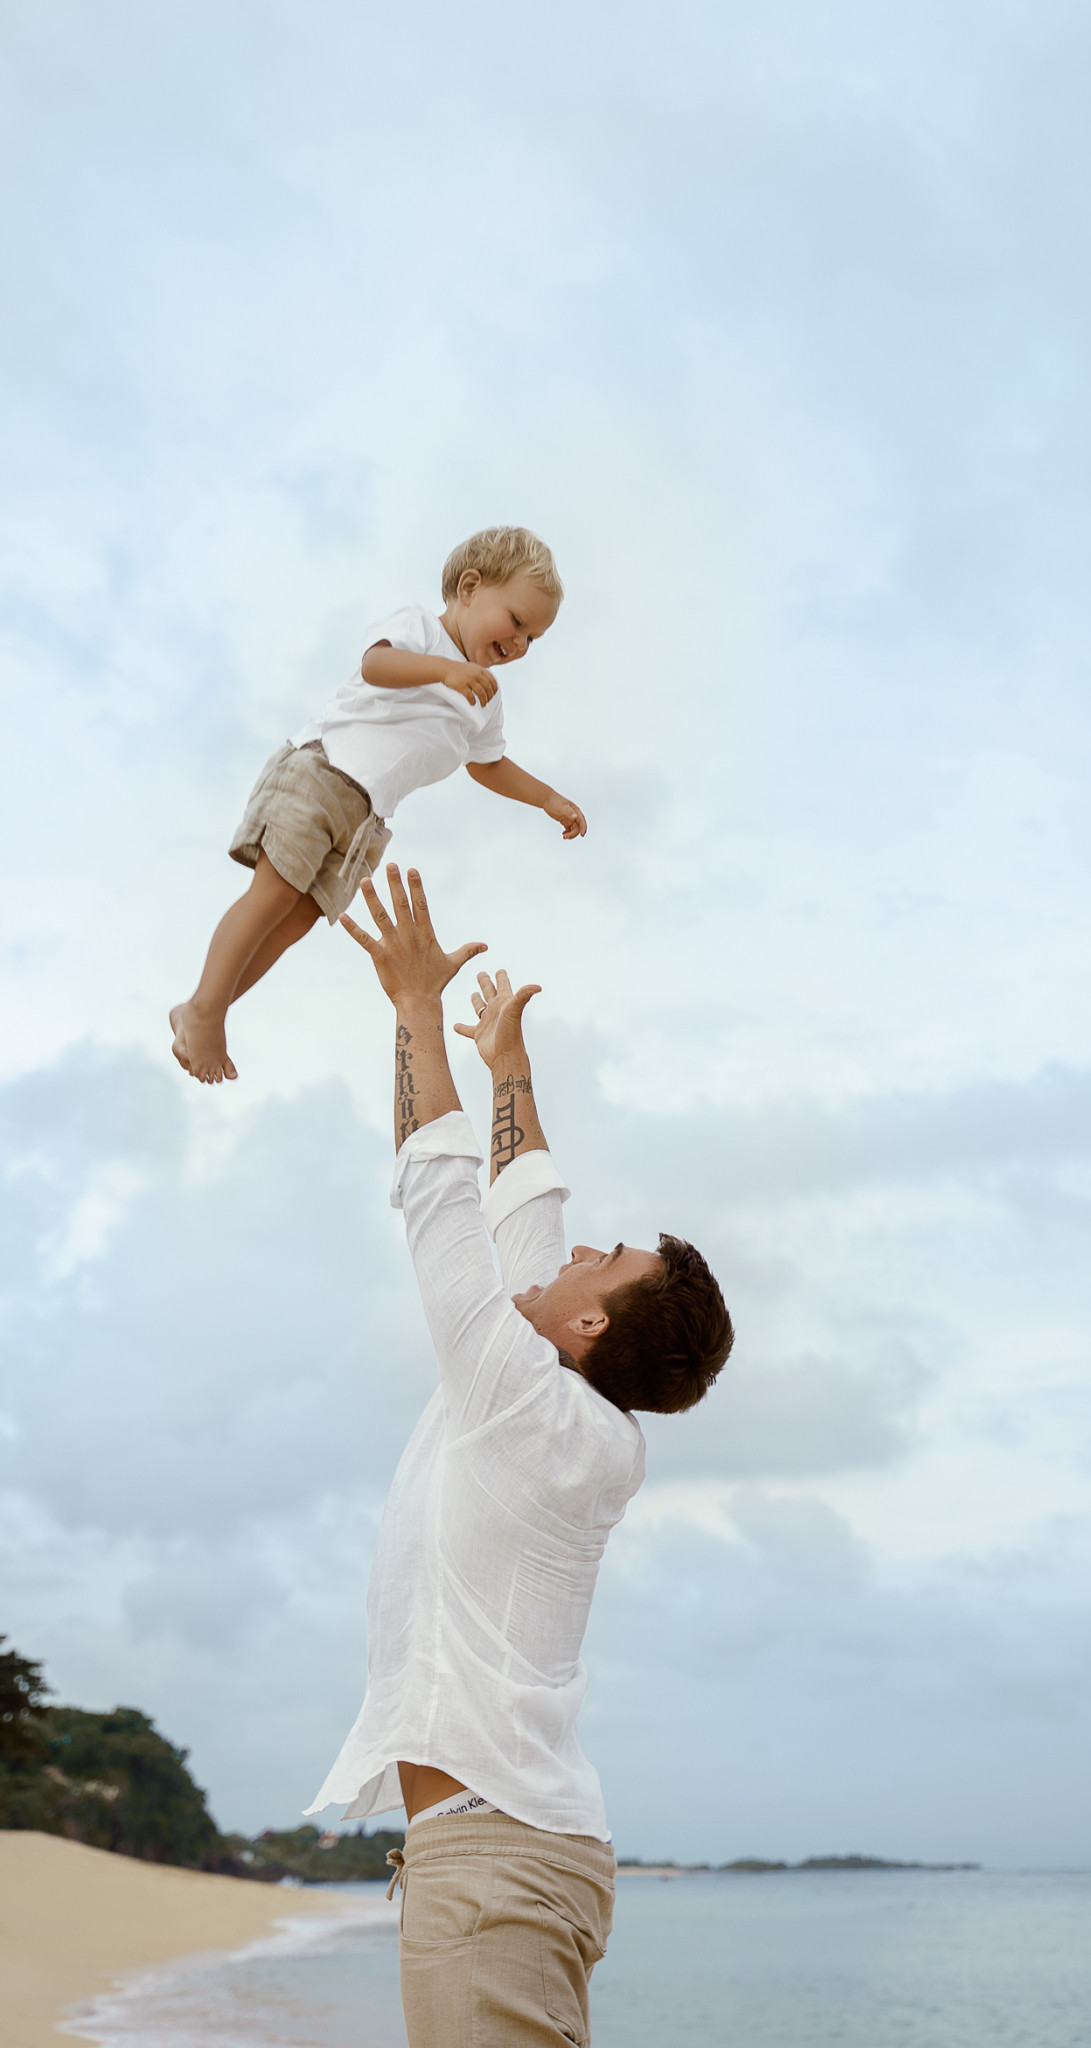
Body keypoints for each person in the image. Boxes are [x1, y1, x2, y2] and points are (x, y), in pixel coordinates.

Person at [307, 863, 734, 2047]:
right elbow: (527, 1211)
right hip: (511, 1852)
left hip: (494, 1864)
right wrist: (507, 1066)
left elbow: (443, 1202)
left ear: (590, 1321)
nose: (582, 1246)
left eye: (607, 1257)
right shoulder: (563, 1410)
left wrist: (411, 1005)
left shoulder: (523, 1404)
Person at [170, 526, 586, 1085]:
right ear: (469, 588)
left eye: (533, 638)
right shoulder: (422, 630)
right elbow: (376, 666)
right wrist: (445, 670)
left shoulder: (485, 699)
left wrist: (548, 799)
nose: (519, 645)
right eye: (516, 621)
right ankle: (205, 1012)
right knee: (273, 894)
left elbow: (487, 764)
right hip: (324, 770)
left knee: (295, 921)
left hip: (364, 819)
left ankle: (203, 1006)